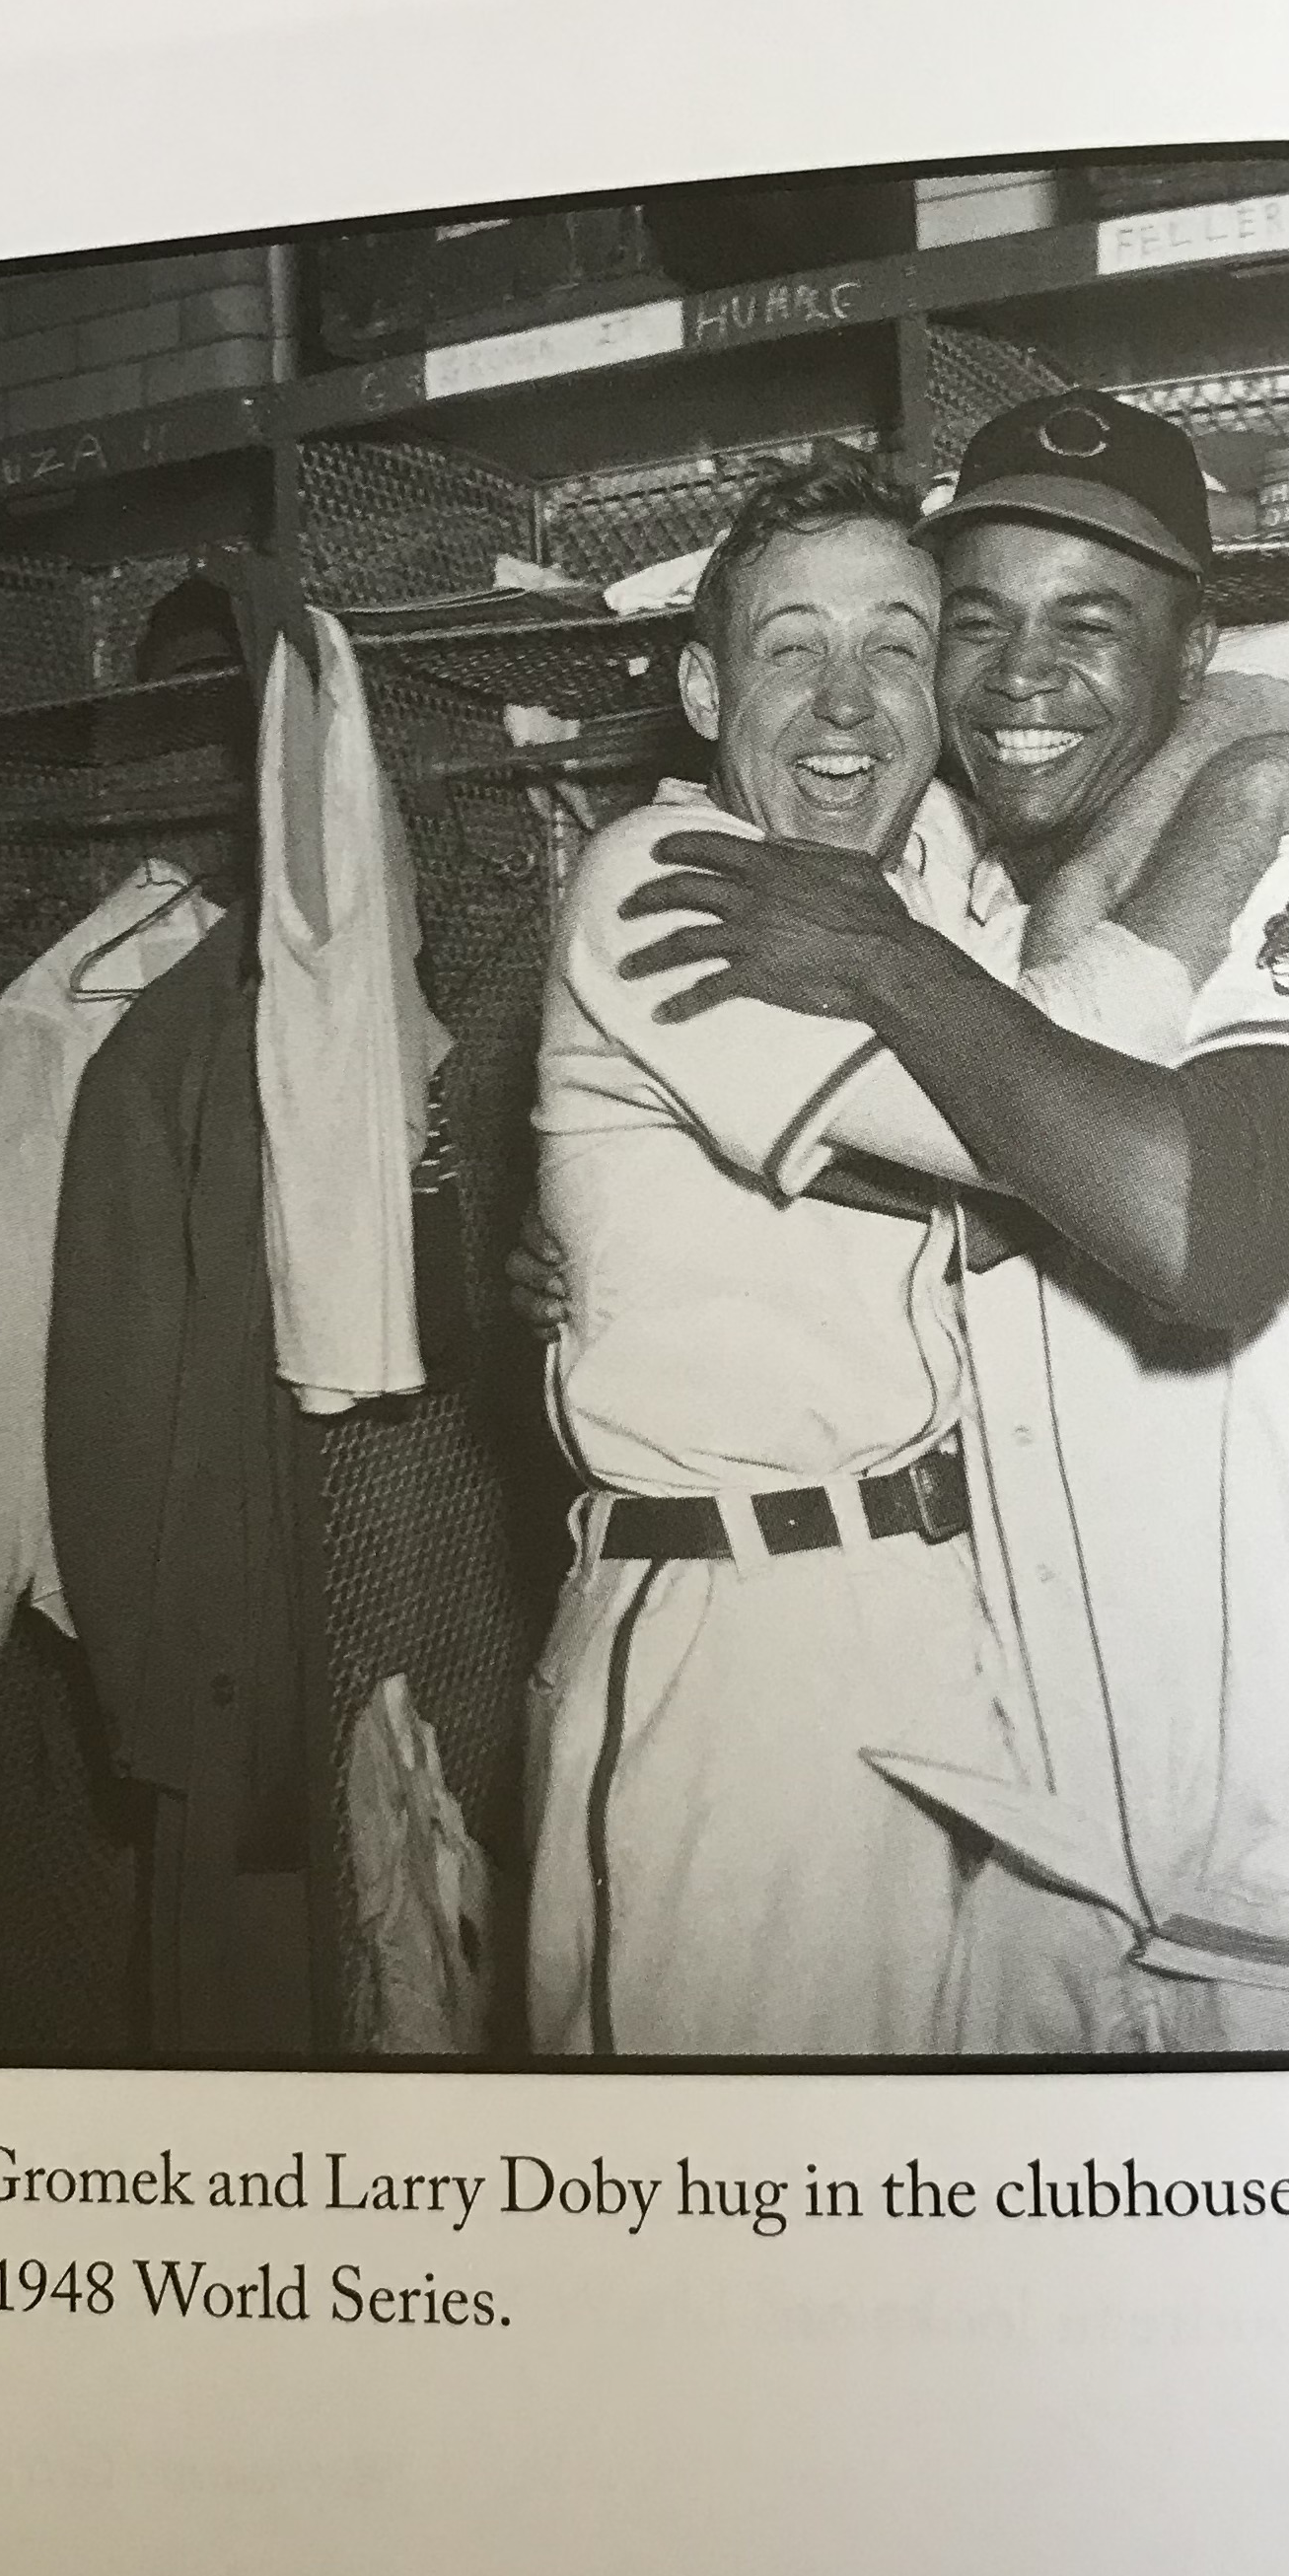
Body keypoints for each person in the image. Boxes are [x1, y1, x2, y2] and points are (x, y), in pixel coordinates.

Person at [617, 391, 1289, 2055]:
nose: (1016, 679)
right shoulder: (1014, 943)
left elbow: (1201, 1237)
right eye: (975, 624)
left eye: (1091, 624)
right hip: (1054, 1851)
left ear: (1187, 652)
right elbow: (966, 1196)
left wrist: (887, 956)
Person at [522, 448, 1029, 2056]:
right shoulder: (666, 880)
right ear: (697, 684)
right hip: (735, 1646)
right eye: (789, 648)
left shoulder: (939, 873)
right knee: (722, 2224)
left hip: (950, 1622)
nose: (847, 704)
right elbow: (1054, 1161)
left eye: (896, 644)